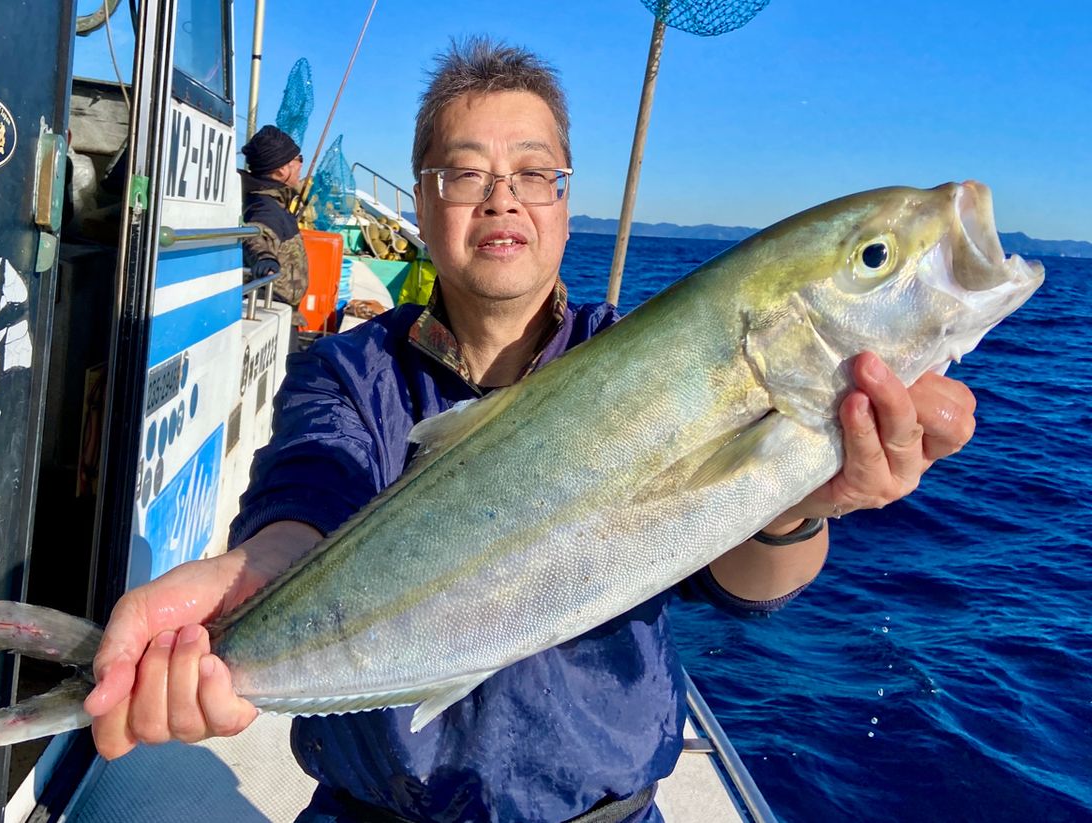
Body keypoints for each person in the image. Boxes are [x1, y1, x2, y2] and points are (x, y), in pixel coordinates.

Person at [84, 39, 977, 822]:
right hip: (372, 809)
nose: (502, 200)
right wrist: (249, 586)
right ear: (423, 201)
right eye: (465, 174)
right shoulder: (348, 371)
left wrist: (800, 501)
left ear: (564, 202)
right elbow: (307, 497)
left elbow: (748, 585)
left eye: (535, 174)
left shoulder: (638, 354)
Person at [240, 124, 311, 327]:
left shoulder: (275, 204)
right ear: (281, 170)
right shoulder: (265, 208)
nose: (300, 166)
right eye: (298, 160)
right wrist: (265, 260)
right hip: (270, 311)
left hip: (284, 312)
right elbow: (255, 236)